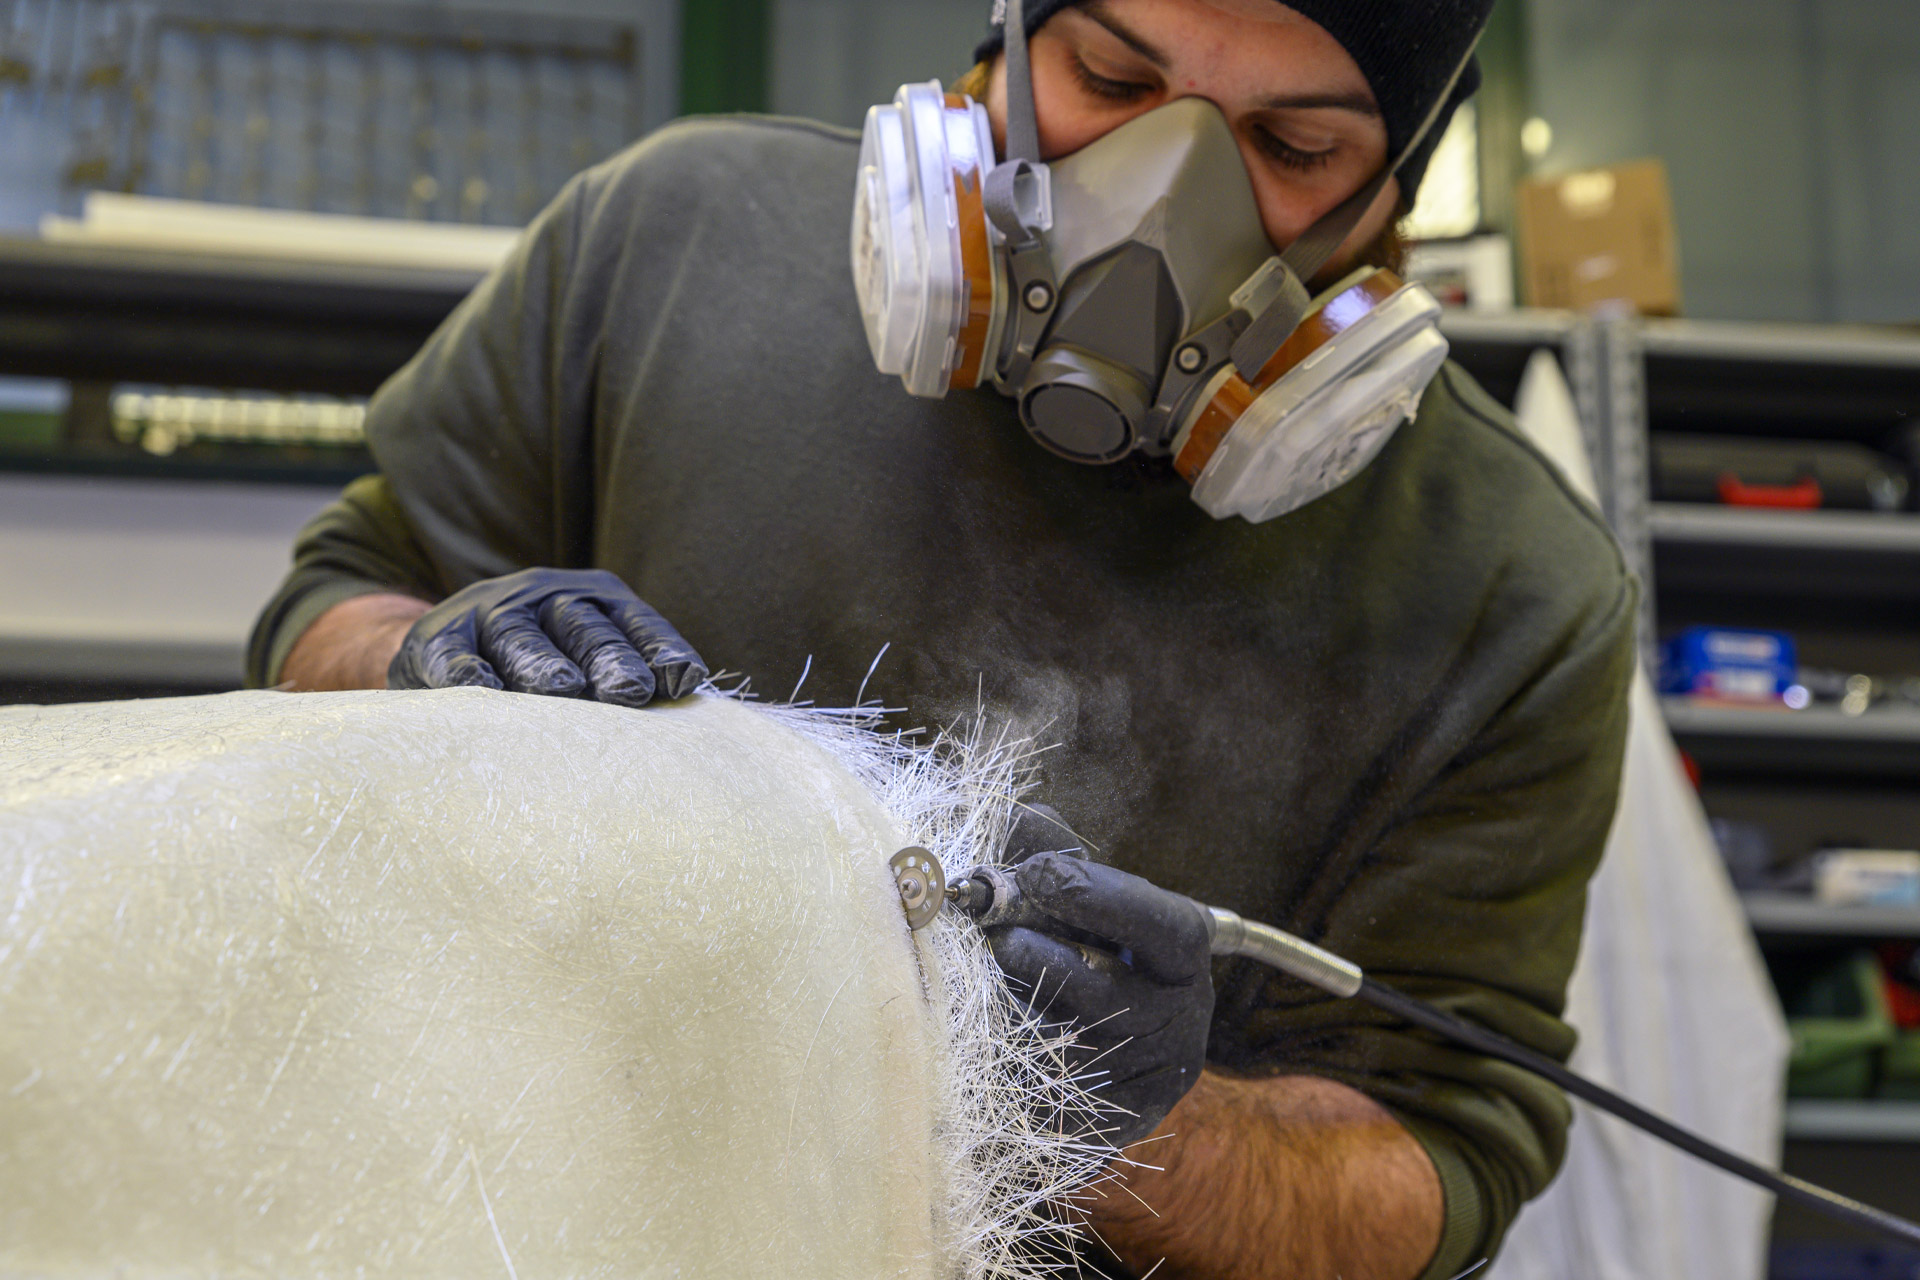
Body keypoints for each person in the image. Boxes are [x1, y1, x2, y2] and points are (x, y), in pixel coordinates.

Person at [246, 1, 1637, 1277]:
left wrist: (1120, 1125)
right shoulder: (670, 243)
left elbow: (1442, 1161)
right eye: (1109, 77)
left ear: (1390, 199)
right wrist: (417, 659)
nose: (1161, 188)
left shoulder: (1511, 591)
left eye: (1288, 142)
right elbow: (342, 596)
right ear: (1002, 39)